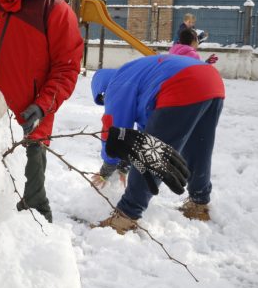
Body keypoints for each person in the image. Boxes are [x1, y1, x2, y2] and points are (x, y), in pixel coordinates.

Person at [0, 0, 83, 223]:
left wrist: (42, 106)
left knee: (29, 197)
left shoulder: (55, 11)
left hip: (30, 123)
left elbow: (66, 68)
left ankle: (41, 248)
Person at [90, 54, 225, 234]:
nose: (106, 102)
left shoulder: (117, 84)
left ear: (102, 90)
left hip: (182, 83)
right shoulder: (138, 76)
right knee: (199, 149)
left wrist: (109, 165)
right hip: (211, 82)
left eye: (103, 99)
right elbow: (146, 130)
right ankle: (199, 204)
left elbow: (115, 129)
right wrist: (124, 163)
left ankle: (125, 217)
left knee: (149, 153)